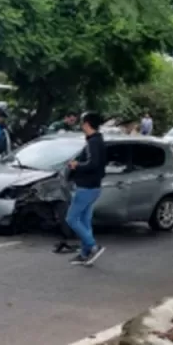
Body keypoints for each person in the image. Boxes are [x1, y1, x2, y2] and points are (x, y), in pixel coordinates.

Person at [65, 112, 107, 266]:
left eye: (82, 123)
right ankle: (84, 253)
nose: (81, 125)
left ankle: (93, 245)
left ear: (87, 124)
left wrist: (76, 165)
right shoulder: (97, 141)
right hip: (93, 186)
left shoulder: (93, 143)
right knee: (84, 220)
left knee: (71, 218)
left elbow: (93, 164)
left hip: (86, 187)